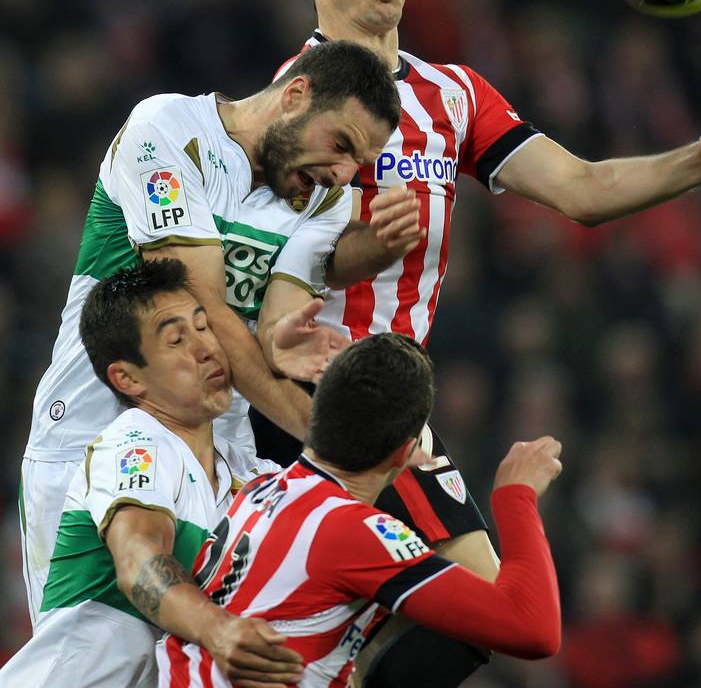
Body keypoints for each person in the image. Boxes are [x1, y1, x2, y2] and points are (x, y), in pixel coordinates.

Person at [249, 0, 701, 684]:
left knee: (486, 618)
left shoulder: (450, 94)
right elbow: (272, 269)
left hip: (392, 405)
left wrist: (693, 162)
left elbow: (581, 188)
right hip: (307, 401)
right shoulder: (287, 103)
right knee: (491, 612)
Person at [19, 38, 417, 624]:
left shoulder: (322, 200)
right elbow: (198, 302)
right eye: (340, 145)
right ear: (296, 96)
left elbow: (281, 316)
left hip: (218, 463)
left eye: (356, 165)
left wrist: (296, 334)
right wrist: (322, 437)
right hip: (87, 435)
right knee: (85, 659)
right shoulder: (167, 129)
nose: (342, 173)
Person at [158, 333, 562, 688]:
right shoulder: (353, 533)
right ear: (407, 453)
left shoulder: (260, 489)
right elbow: (533, 629)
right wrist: (516, 495)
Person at [2, 259, 304, 688]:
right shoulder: (134, 444)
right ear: (127, 378)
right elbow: (139, 560)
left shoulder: (254, 474)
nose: (206, 348)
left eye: (204, 327)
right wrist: (219, 630)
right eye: (177, 339)